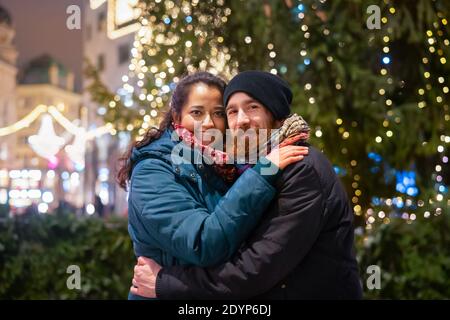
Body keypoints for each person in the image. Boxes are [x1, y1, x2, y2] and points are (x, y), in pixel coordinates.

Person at [131, 71, 363, 300]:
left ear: (276, 114)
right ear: (176, 116)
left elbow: (254, 268)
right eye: (197, 112)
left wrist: (164, 283)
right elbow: (203, 242)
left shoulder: (298, 167)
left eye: (252, 107)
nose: (210, 123)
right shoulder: (159, 169)